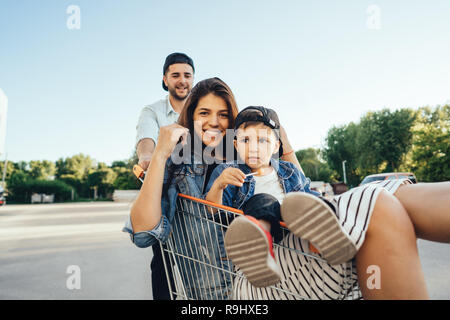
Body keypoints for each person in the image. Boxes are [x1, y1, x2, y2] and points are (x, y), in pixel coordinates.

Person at [205, 106, 450, 299]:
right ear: (236, 144)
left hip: (298, 237)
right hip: (272, 252)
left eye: (262, 141)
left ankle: (321, 238)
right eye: (246, 141)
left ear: (277, 146)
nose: (254, 148)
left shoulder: (289, 171)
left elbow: (308, 200)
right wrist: (219, 186)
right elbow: (211, 213)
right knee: (263, 202)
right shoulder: (229, 173)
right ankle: (262, 246)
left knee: (318, 199)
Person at [124, 78, 303, 299]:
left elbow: (297, 187)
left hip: (270, 283)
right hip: (216, 290)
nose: (214, 122)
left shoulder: (250, 156)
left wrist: (283, 141)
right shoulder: (180, 165)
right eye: (204, 113)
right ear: (191, 116)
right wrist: (160, 153)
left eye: (223, 114)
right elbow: (142, 233)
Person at [134, 52, 194, 300]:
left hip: (199, 193)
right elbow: (146, 139)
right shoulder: (153, 111)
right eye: (176, 75)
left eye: (187, 75)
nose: (182, 80)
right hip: (166, 191)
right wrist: (147, 157)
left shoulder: (201, 109)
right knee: (164, 261)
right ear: (165, 79)